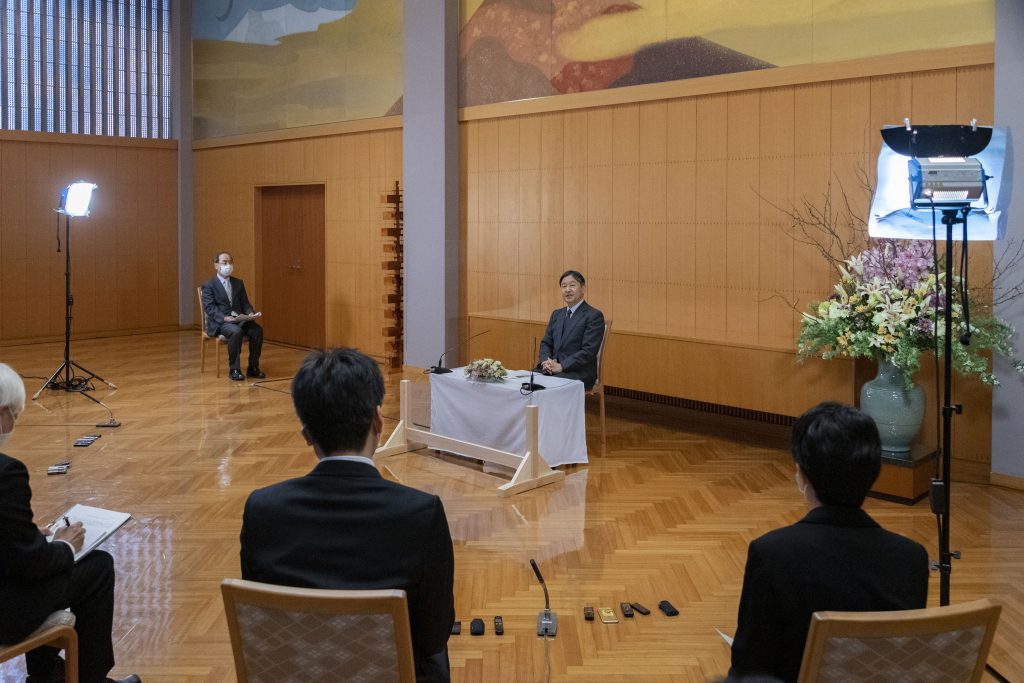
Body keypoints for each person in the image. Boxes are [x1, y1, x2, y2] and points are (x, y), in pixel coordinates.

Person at [239, 348, 455, 682]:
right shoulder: (420, 514)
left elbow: (265, 620)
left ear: (307, 435)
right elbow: (432, 636)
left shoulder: (262, 510)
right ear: (378, 421)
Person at [729, 402, 929, 683]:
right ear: (873, 474)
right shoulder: (912, 558)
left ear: (802, 475)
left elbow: (749, 667)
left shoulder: (773, 553)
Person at [0, 363, 141, 683]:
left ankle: (48, 676)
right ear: (1, 412)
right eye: (15, 415)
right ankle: (90, 679)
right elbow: (32, 564)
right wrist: (64, 544)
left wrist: (18, 534)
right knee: (97, 566)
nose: (15, 423)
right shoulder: (6, 473)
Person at [200, 251, 265, 381]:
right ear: (216, 265)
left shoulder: (238, 283)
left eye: (230, 262)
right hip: (220, 322)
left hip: (238, 319)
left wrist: (250, 313)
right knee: (236, 332)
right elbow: (210, 308)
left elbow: (245, 303)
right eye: (224, 262)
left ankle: (253, 367)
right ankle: (234, 369)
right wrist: (224, 318)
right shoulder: (209, 285)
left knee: (257, 330)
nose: (228, 265)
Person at [537, 270, 605, 389]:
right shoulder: (556, 314)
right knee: (528, 381)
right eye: (564, 286)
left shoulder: (593, 315)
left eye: (572, 285)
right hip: (553, 369)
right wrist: (545, 362)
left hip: (579, 372)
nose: (567, 289)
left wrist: (561, 366)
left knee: (547, 386)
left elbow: (588, 351)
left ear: (583, 289)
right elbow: (546, 343)